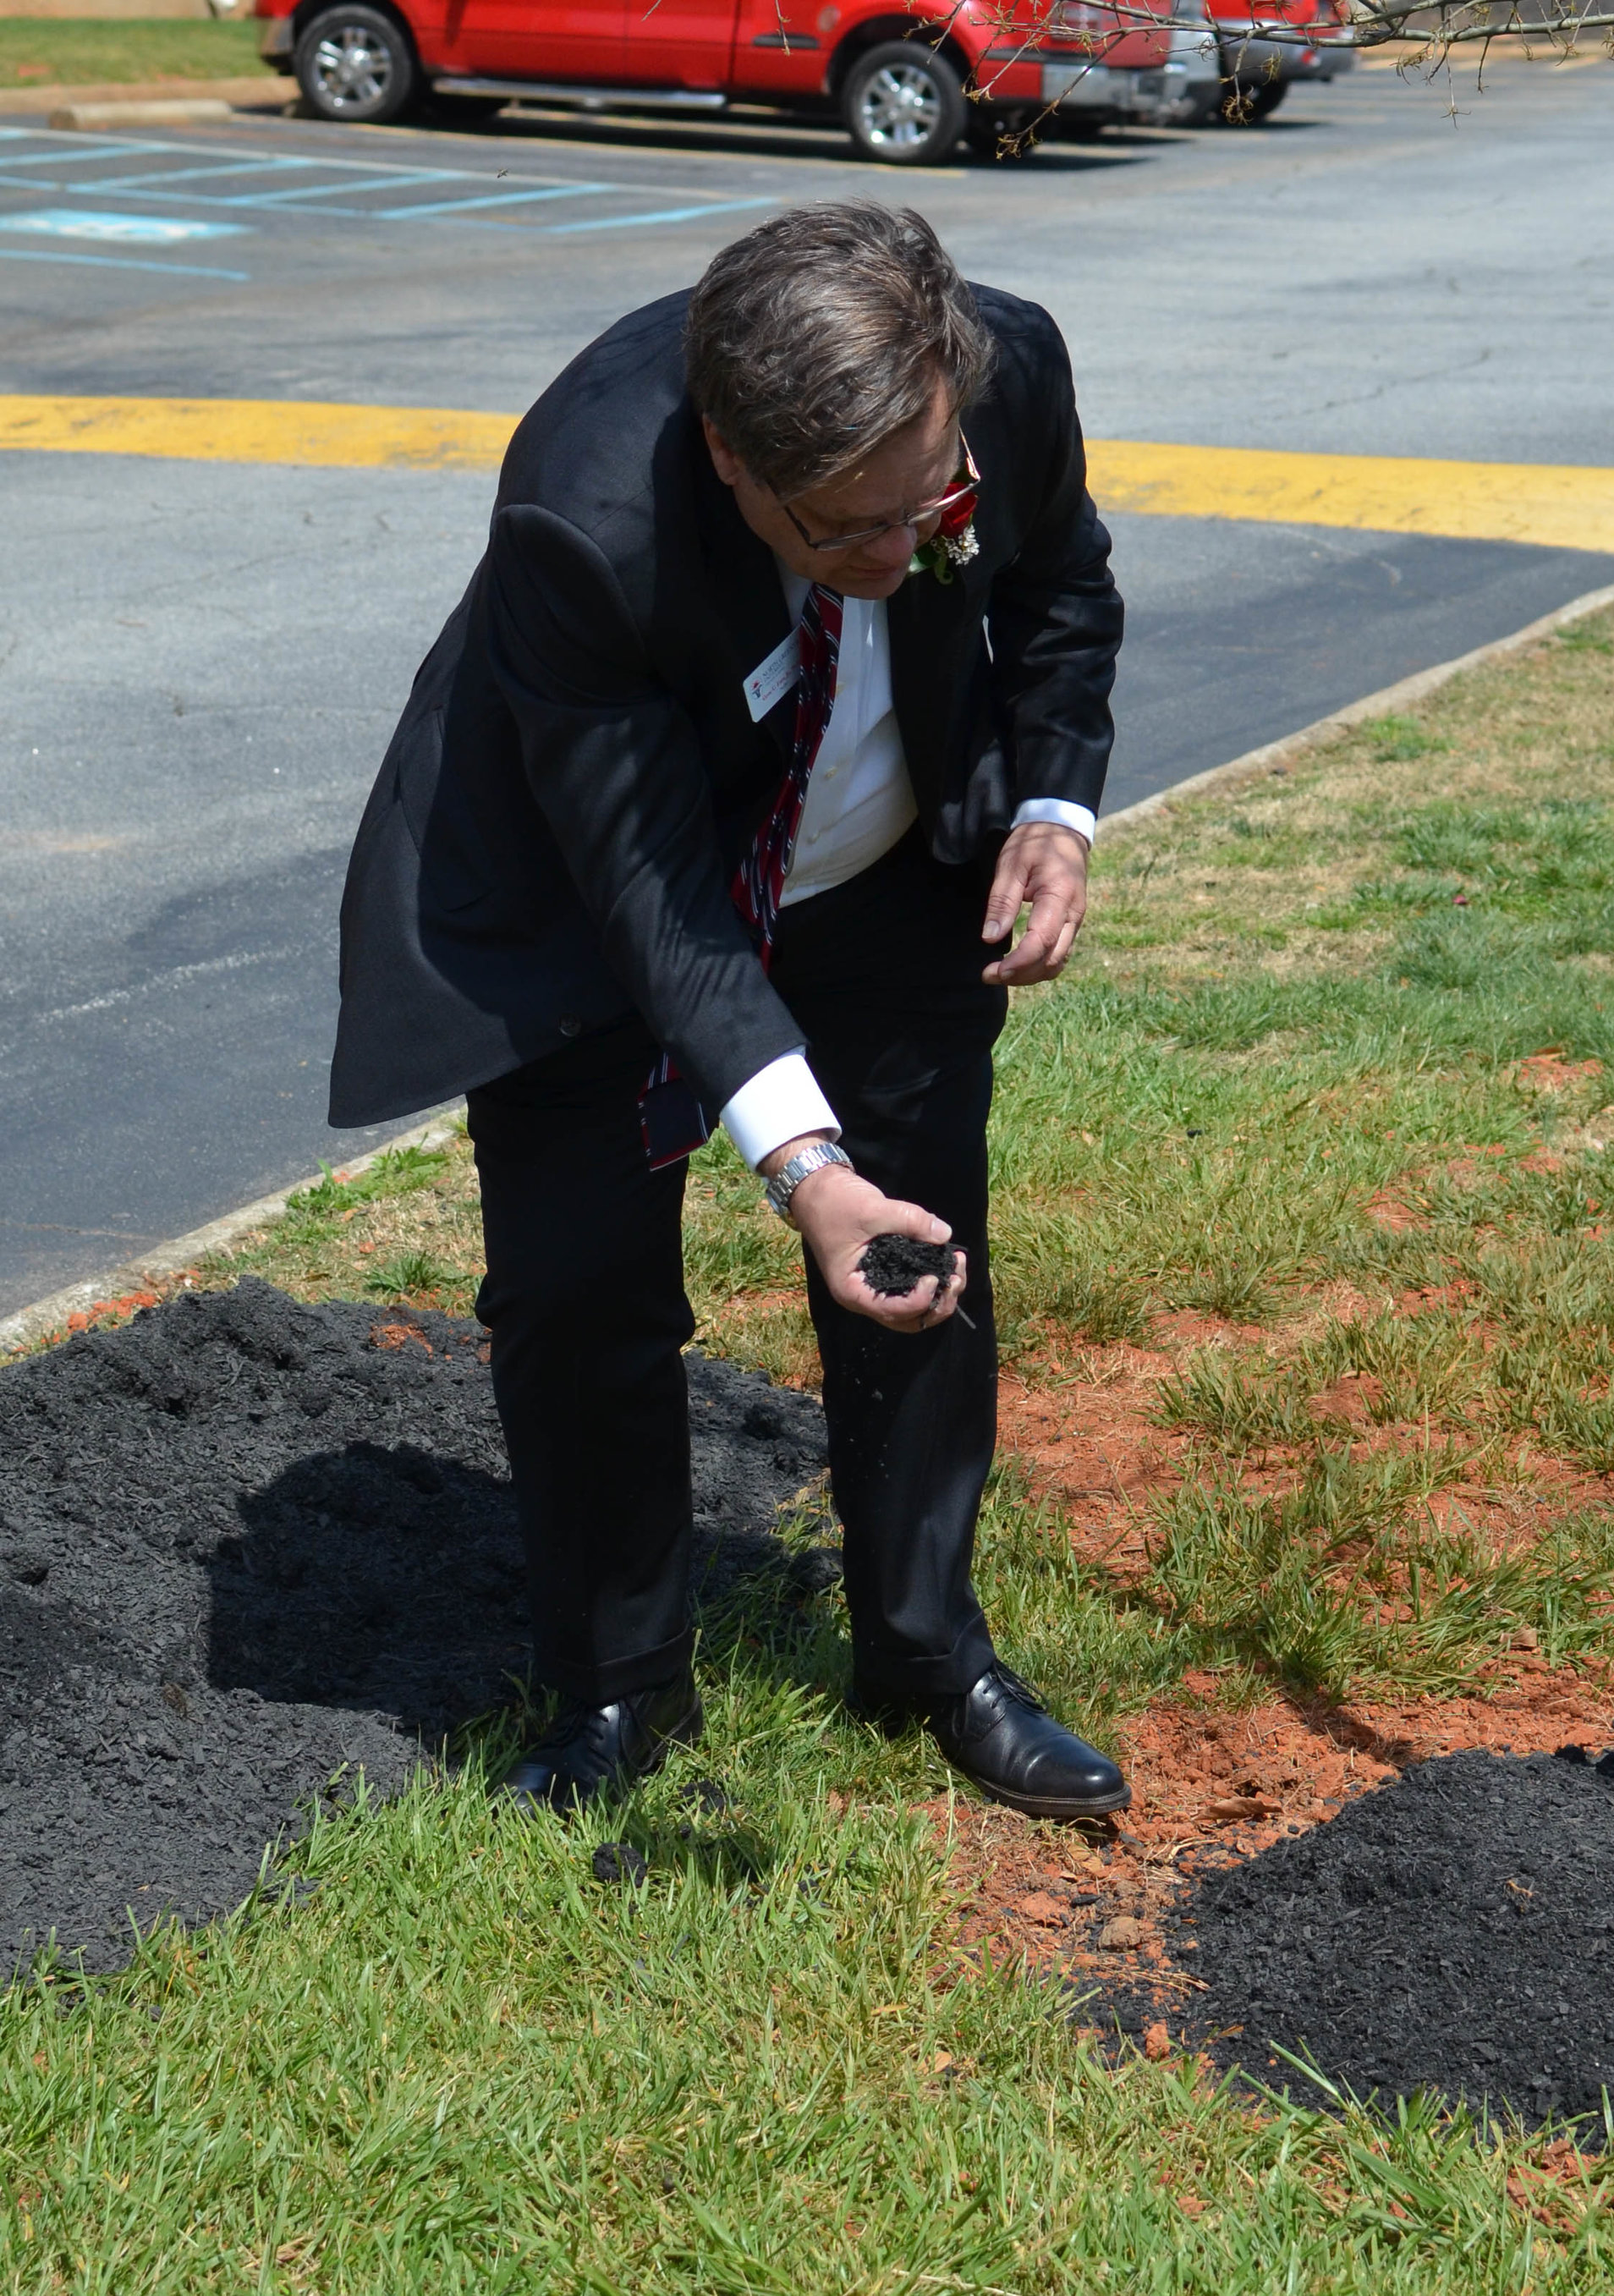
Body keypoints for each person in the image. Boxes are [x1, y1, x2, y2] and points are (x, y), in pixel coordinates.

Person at [329, 200, 1129, 1821]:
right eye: (846, 536)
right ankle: (619, 1688)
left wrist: (1056, 802)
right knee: (575, 1291)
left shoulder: (1000, 373)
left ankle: (924, 1645)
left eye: (931, 510)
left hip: (884, 871)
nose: (904, 563)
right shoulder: (586, 518)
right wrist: (802, 1166)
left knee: (921, 1245)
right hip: (591, 893)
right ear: (730, 463)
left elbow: (1062, 589)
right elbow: (658, 901)